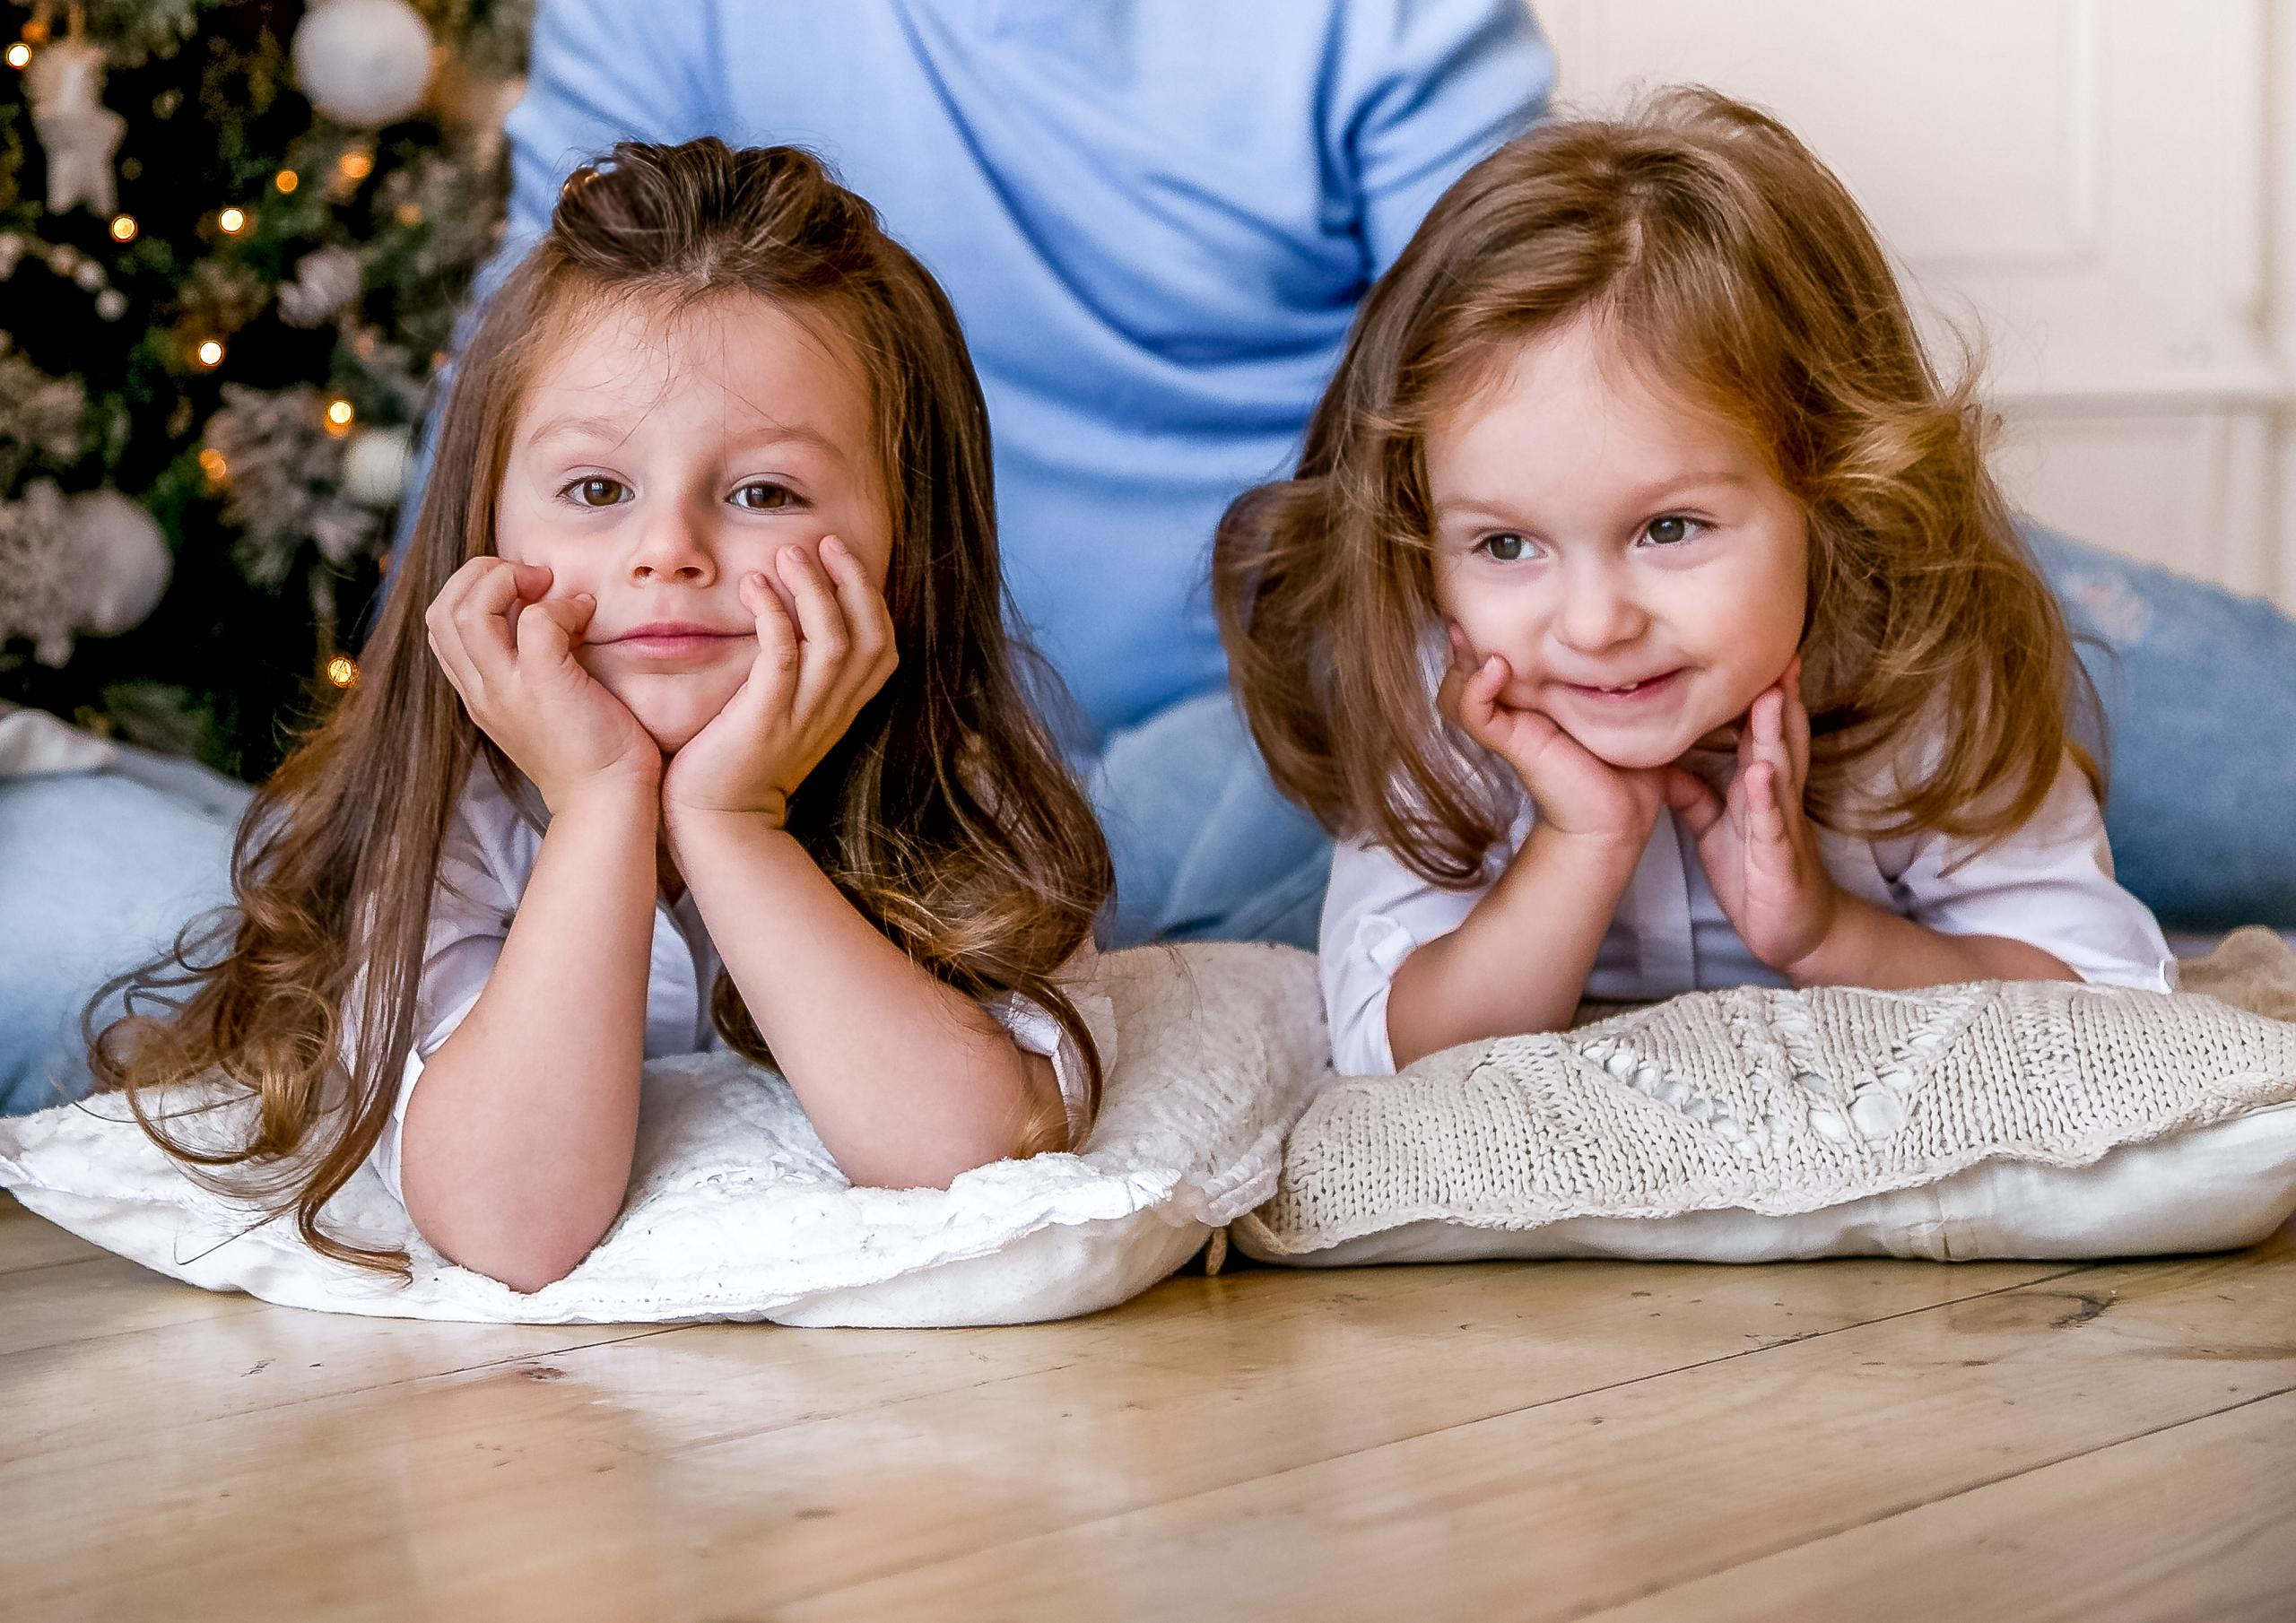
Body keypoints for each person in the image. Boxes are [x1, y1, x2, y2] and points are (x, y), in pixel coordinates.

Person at [6, 2, 2292, 1113]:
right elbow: (538, 413)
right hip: (999, 693)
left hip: (1313, 654)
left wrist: (1703, 607)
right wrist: (456, 732)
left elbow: (1553, 400)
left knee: (2032, 646)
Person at [89, 139, 1112, 1290]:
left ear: (906, 546)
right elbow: (510, 1222)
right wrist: (599, 802)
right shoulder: (443, 817)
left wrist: (735, 824)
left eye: (763, 492)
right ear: (485, 531)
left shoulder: (957, 786)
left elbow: (979, 1161)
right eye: (597, 491)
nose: (668, 552)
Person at [1213, 90, 2173, 1073]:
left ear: (1832, 492)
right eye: (1505, 546)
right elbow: (1385, 1044)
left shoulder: (1929, 689)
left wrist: (1826, 932)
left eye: (1668, 528)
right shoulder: (1441, 700)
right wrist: (1581, 842)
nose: (1592, 625)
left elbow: (2110, 1003)